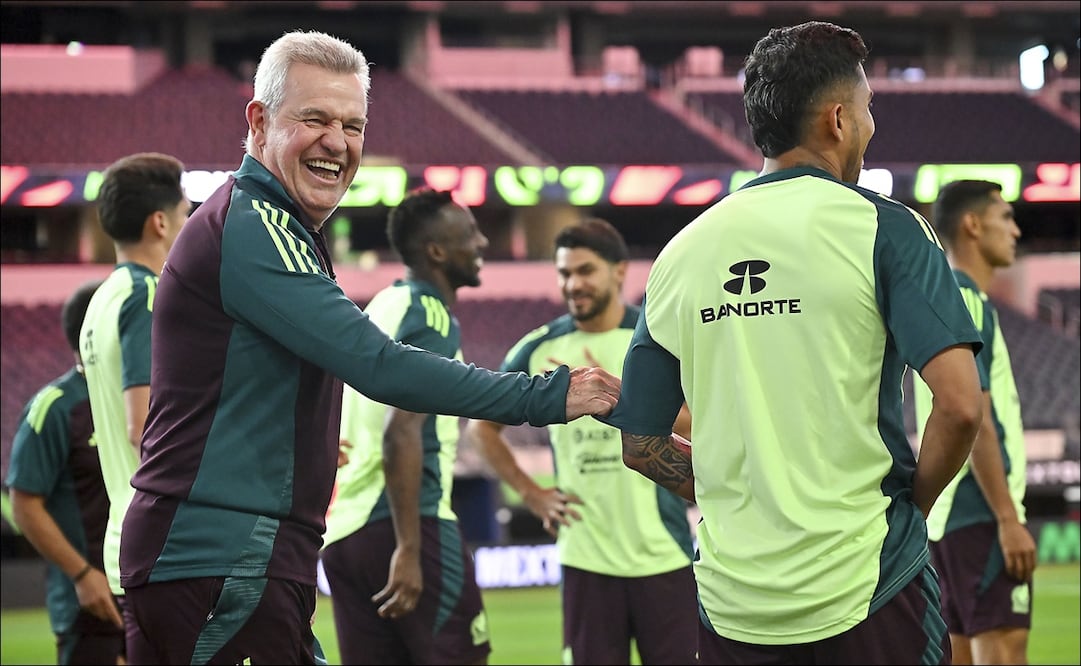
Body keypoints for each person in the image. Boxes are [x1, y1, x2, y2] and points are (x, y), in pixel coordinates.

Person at [118, 30, 620, 665]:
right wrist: (548, 395)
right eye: (315, 119)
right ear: (258, 121)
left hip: (242, 556)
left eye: (353, 125)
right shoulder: (253, 225)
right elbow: (382, 366)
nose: (338, 142)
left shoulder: (269, 226)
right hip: (222, 557)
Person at [601, 21, 986, 665]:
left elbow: (640, 445)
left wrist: (739, 493)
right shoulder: (883, 228)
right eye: (867, 111)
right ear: (837, 120)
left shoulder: (682, 253)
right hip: (868, 588)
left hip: (732, 606)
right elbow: (961, 405)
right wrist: (913, 506)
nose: (871, 127)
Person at [465, 218, 698, 665]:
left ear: (618, 271)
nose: (573, 284)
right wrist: (532, 494)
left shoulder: (655, 341)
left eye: (585, 270)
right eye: (565, 273)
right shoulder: (539, 348)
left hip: (664, 557)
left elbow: (707, 422)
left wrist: (630, 405)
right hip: (584, 561)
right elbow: (481, 427)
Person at [322, 187, 494, 664]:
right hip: (405, 525)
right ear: (436, 252)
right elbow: (402, 429)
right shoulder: (428, 313)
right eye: (470, 234)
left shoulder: (382, 306)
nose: (482, 242)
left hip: (347, 534)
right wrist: (409, 548)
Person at [912, 180, 1036, 665]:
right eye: (1005, 217)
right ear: (972, 224)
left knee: (961, 651)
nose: (1016, 229)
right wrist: (1008, 518)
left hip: (953, 515)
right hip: (979, 510)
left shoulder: (944, 297)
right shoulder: (967, 299)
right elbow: (974, 413)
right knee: (1003, 647)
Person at [78, 152, 191, 646]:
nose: (190, 228)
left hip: (127, 538)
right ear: (161, 222)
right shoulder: (148, 296)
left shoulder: (101, 300)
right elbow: (142, 424)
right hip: (168, 545)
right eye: (186, 215)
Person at [6, 280, 125, 665]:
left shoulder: (144, 399)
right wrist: (82, 575)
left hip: (147, 590)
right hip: (89, 604)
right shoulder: (55, 408)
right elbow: (24, 504)